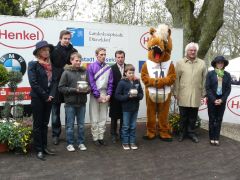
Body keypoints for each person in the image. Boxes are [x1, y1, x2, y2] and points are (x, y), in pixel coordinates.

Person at [28, 40, 56, 161]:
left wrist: (52, 94)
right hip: (38, 98)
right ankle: (38, 149)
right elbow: (33, 83)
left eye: (48, 50)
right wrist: (45, 96)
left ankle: (44, 147)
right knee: (38, 125)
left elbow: (54, 81)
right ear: (39, 52)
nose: (46, 52)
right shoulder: (33, 64)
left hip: (49, 98)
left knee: (45, 124)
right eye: (44, 50)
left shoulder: (51, 64)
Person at [174, 42, 206, 143]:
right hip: (183, 94)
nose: (192, 52)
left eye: (194, 50)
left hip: (196, 93)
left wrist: (203, 93)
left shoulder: (202, 63)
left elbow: (204, 79)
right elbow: (176, 79)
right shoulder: (180, 63)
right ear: (186, 51)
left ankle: (191, 132)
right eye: (190, 50)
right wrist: (176, 93)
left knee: (193, 116)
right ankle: (182, 133)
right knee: (183, 116)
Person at [58, 52, 90, 152]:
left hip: (82, 103)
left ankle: (81, 143)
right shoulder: (66, 72)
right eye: (76, 60)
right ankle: (70, 143)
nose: (78, 62)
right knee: (70, 126)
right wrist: (74, 90)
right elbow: (61, 88)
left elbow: (89, 86)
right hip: (70, 104)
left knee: (81, 125)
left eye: (80, 61)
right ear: (71, 61)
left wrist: (87, 89)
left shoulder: (84, 72)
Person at [50, 30, 77, 145]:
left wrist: (66, 68)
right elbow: (53, 68)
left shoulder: (74, 51)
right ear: (60, 38)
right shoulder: (53, 51)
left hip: (69, 84)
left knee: (69, 111)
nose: (67, 40)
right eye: (65, 38)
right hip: (56, 84)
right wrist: (66, 68)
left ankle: (69, 134)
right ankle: (56, 134)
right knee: (55, 111)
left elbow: (75, 66)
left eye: (68, 38)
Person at [88, 47, 113, 146]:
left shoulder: (108, 68)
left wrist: (109, 95)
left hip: (105, 94)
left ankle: (101, 137)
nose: (103, 56)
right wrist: (97, 95)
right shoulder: (91, 67)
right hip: (95, 94)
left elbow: (111, 83)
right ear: (97, 55)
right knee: (94, 116)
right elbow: (91, 82)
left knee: (103, 116)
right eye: (101, 54)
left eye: (104, 54)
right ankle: (95, 137)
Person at [115, 64, 143, 150]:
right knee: (126, 126)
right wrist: (128, 96)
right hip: (126, 109)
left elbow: (141, 95)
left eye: (133, 73)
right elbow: (117, 96)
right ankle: (125, 142)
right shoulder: (122, 82)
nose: (131, 74)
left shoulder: (137, 82)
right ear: (125, 73)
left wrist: (136, 95)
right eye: (129, 73)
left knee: (133, 126)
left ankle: (132, 142)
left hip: (135, 108)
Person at [206, 56, 231, 146]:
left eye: (221, 62)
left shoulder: (227, 75)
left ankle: (217, 138)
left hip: (222, 100)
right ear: (215, 64)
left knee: (219, 119)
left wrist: (222, 99)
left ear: (224, 64)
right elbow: (208, 88)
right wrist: (213, 99)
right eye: (218, 62)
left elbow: (228, 89)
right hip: (212, 100)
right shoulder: (210, 74)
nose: (220, 64)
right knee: (212, 119)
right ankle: (211, 137)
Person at [109, 50, 126, 143]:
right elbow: (109, 84)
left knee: (124, 117)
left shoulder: (128, 68)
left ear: (124, 57)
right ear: (115, 58)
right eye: (118, 57)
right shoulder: (111, 68)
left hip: (125, 97)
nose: (120, 59)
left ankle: (122, 134)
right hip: (114, 97)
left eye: (122, 57)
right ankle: (113, 135)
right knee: (114, 117)